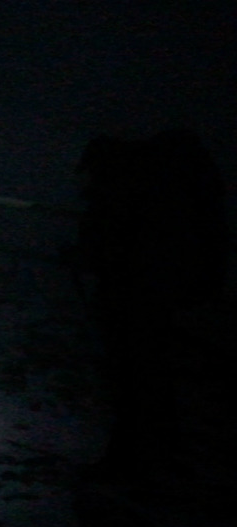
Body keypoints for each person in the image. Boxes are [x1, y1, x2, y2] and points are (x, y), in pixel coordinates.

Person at [75, 129, 228, 481]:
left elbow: (104, 245)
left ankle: (131, 461)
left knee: (132, 379)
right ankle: (159, 454)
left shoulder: (121, 189)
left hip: (130, 296)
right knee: (150, 376)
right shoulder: (159, 189)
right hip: (158, 294)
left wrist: (88, 258)